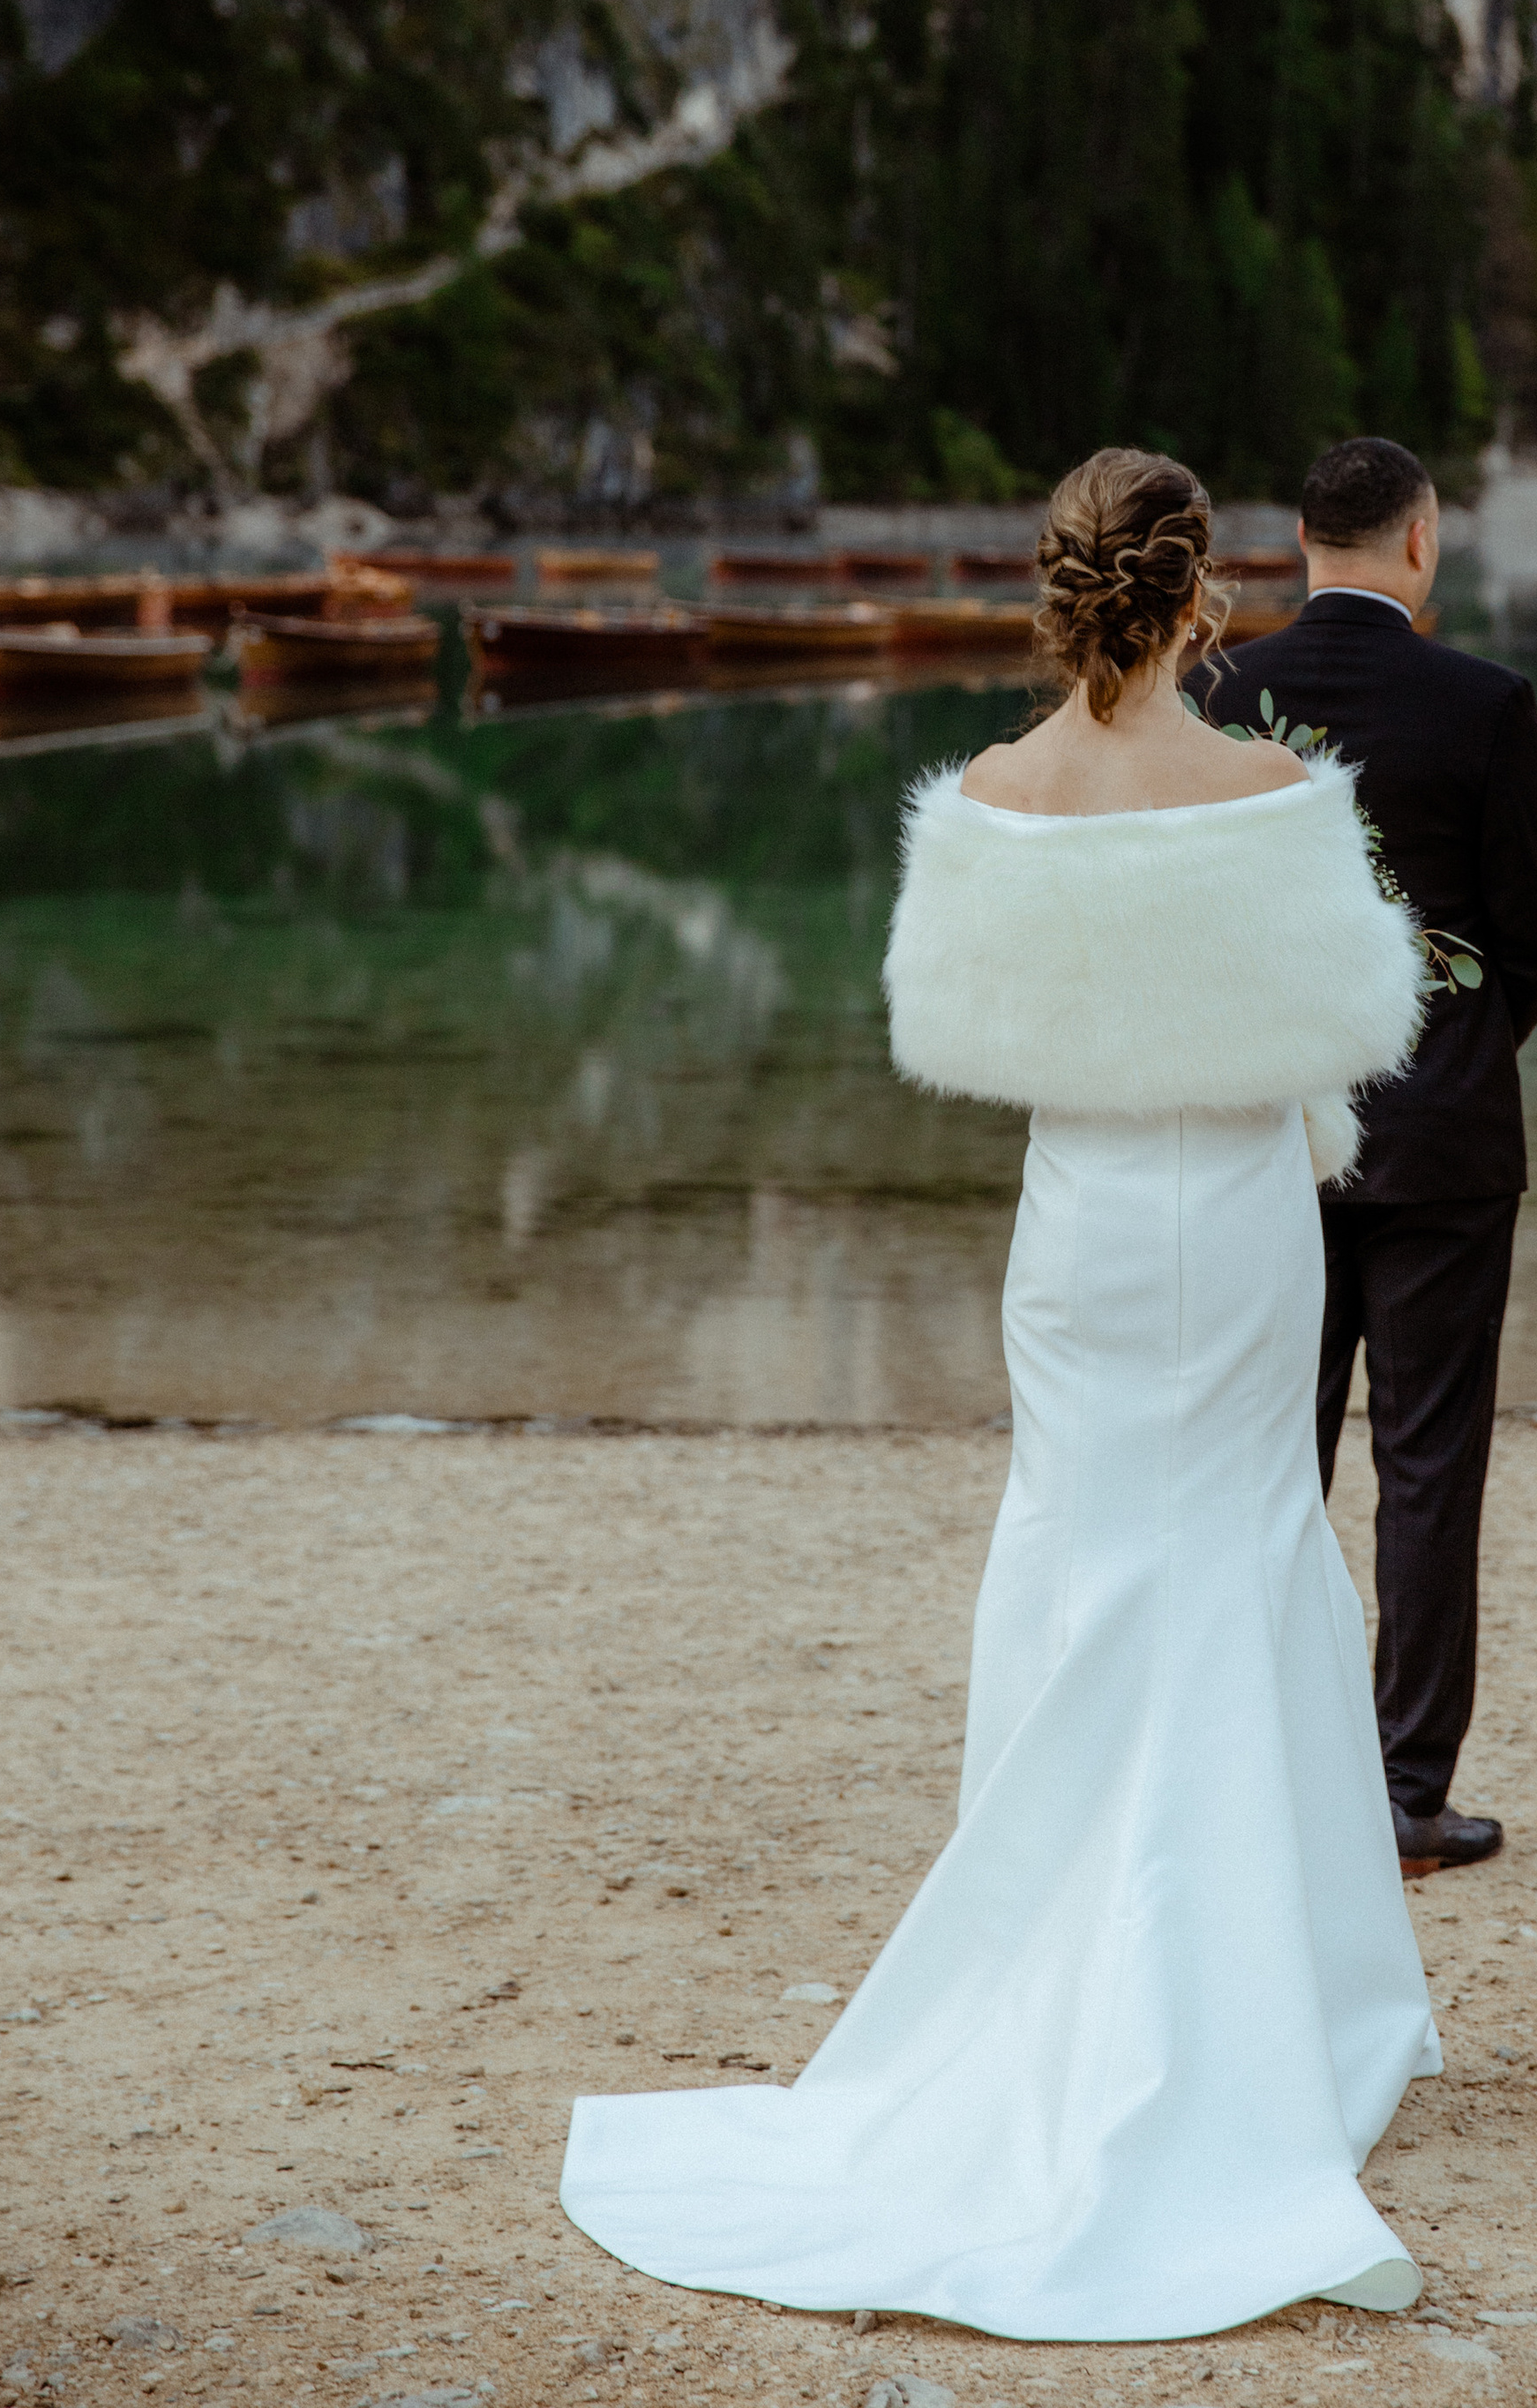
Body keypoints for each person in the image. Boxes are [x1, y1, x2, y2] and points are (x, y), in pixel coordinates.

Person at [560, 446, 1437, 2340]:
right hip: (1224, 1215)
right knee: (1236, 1547)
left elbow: (945, 1027)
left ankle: (1046, 1945)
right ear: (1199, 594)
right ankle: (1269, 1996)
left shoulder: (983, 797)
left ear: (1059, 593)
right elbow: (1364, 1020)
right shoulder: (1270, 791)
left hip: (1079, 1232)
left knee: (1075, 1541)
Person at [1192, 436, 1537, 1875]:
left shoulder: (1221, 695)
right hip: (1446, 1144)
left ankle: (1255, 1772)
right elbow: (1536, 931)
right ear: (1420, 543)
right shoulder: (1482, 701)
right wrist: (1464, 1051)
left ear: (1300, 540)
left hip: (1268, 1134)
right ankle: (1409, 1796)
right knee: (1426, 1468)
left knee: (1270, 1462)